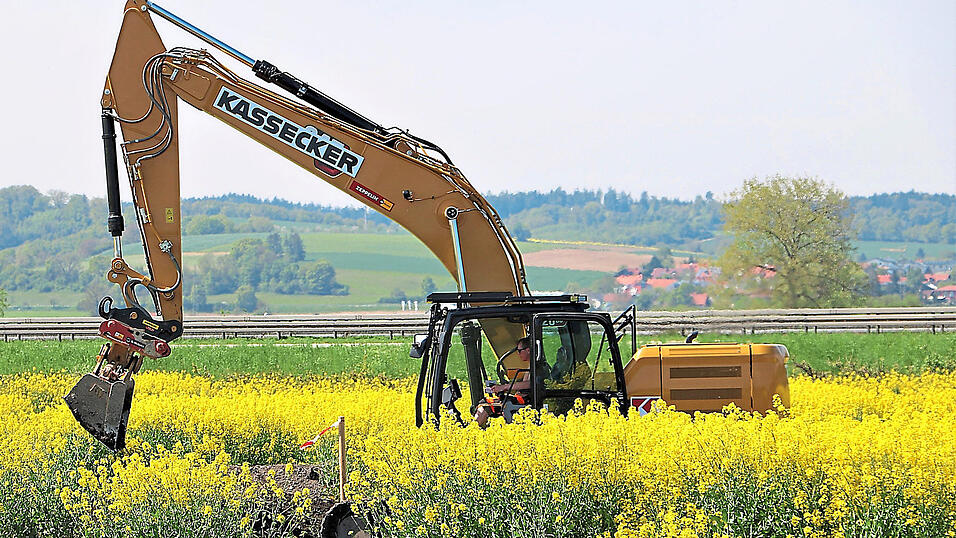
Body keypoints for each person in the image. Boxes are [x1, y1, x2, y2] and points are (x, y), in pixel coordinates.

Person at [474, 337, 549, 427]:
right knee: (486, 402)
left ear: (528, 350)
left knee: (487, 404)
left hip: (525, 402)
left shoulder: (537, 366)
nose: (518, 353)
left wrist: (504, 387)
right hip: (521, 399)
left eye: (519, 350)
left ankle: (473, 430)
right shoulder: (531, 365)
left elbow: (530, 384)